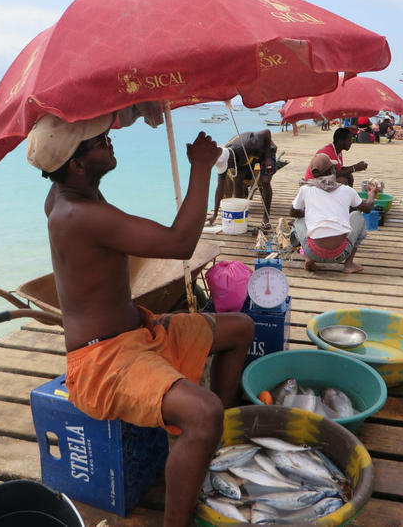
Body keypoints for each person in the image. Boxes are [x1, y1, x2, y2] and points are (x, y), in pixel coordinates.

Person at [27, 114, 254, 527]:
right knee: (202, 412)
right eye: (98, 140)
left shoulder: (72, 194)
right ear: (76, 166)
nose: (109, 140)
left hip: (138, 331)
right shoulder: (79, 213)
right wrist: (201, 166)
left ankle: (210, 446)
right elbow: (181, 243)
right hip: (103, 362)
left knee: (240, 328)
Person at [290, 153, 378, 273]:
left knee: (297, 222)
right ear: (332, 170)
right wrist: (372, 194)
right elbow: (367, 208)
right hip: (341, 254)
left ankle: (307, 257)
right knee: (358, 216)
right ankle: (348, 264)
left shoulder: (305, 189)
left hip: (313, 251)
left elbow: (293, 212)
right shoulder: (347, 190)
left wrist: (309, 212)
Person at [208, 129, 277, 230]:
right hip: (245, 158)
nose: (230, 168)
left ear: (231, 160)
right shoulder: (222, 158)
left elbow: (267, 132)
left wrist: (267, 158)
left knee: (265, 181)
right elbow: (220, 188)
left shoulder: (249, 144)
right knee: (237, 179)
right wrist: (214, 215)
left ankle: (266, 218)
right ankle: (240, 213)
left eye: (230, 165)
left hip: (265, 151)